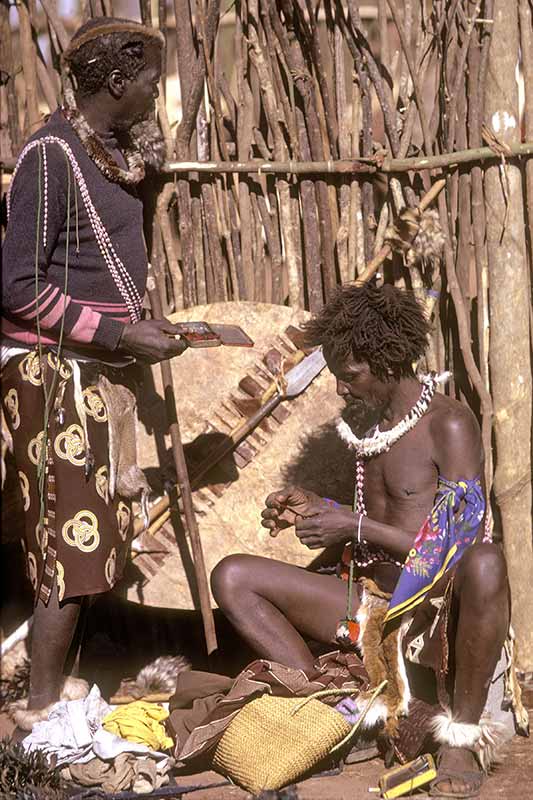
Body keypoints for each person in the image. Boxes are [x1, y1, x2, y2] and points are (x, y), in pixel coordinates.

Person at [211, 283, 528, 798]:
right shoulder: (366, 425)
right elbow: (373, 522)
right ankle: (348, 709)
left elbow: (455, 547)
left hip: (433, 611)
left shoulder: (448, 423)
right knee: (231, 576)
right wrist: (316, 508)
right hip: (370, 604)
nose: (340, 388)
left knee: (488, 562)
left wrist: (353, 527)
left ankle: (459, 737)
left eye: (350, 375)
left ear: (387, 361)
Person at [1, 17, 188, 732]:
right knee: (68, 542)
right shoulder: (50, 157)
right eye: (148, 79)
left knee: (89, 537)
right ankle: (42, 709)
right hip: (49, 375)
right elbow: (16, 287)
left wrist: (131, 335)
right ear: (116, 82)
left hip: (87, 372)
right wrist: (117, 331)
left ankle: (53, 695)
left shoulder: (107, 154)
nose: (153, 91)